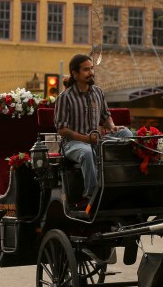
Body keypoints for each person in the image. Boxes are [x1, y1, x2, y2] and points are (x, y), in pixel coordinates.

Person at [54, 54, 132, 214]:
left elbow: (106, 116)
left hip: (96, 139)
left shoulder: (98, 92)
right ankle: (92, 197)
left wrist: (112, 126)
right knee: (86, 152)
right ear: (75, 74)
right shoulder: (65, 97)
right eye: (86, 70)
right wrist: (86, 139)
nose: (91, 72)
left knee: (127, 133)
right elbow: (62, 129)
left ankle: (125, 185)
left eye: (92, 68)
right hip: (73, 144)